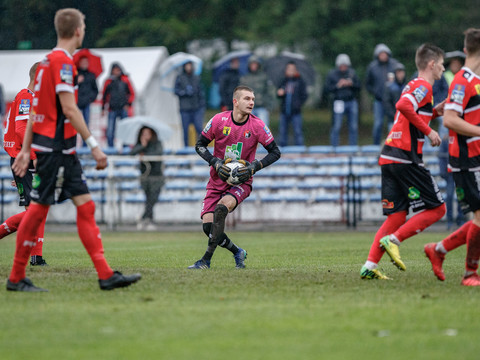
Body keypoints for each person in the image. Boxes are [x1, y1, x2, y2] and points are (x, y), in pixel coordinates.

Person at [8, 8, 141, 292]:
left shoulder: (45, 62)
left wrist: (24, 149)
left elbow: (34, 112)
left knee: (83, 205)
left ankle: (105, 275)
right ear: (78, 30)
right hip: (55, 152)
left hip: (58, 151)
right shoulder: (63, 63)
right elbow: (69, 108)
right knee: (37, 212)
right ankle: (17, 277)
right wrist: (94, 146)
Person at [360, 43, 446, 280]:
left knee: (397, 216)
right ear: (431, 64)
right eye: (441, 63)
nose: (442, 68)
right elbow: (403, 105)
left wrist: (435, 112)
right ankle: (394, 240)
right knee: (438, 209)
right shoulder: (423, 85)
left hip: (389, 155)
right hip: (404, 156)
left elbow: (410, 109)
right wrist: (429, 131)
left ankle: (369, 265)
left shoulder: (413, 85)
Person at [189, 85, 281, 269]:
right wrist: (215, 162)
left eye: (253, 99)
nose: (251, 102)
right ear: (235, 102)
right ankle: (238, 252)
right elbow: (200, 145)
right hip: (216, 181)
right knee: (208, 227)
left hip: (241, 182)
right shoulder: (218, 120)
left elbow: (275, 152)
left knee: (221, 209)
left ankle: (205, 260)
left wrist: (254, 166)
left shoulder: (257, 125)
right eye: (247, 98)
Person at [424, 29, 480, 286]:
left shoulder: (474, 80)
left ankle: (439, 250)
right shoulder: (462, 79)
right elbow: (450, 119)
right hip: (466, 161)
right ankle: (470, 273)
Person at [1, 62, 47, 266]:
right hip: (25, 158)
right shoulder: (27, 96)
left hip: (26, 158)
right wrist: (35, 157)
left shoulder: (33, 98)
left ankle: (37, 257)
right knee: (35, 210)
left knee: (38, 207)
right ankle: (35, 257)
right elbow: (21, 129)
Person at [130, 126, 164, 230]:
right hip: (145, 176)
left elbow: (158, 154)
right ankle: (149, 220)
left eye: (147, 133)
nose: (145, 136)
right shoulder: (140, 145)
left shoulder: (157, 143)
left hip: (156, 175)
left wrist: (145, 155)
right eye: (143, 133)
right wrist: (142, 145)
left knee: (153, 198)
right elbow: (131, 153)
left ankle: (144, 217)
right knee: (148, 199)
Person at [366, 43, 399, 145]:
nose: (383, 56)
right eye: (381, 54)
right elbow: (367, 84)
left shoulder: (395, 65)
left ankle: (395, 145)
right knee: (378, 124)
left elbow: (401, 79)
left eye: (385, 54)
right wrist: (375, 92)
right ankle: (375, 145)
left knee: (394, 123)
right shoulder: (372, 67)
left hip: (392, 101)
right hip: (379, 101)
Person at [324, 54, 361, 146]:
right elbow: (327, 89)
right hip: (338, 101)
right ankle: (334, 147)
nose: (343, 67)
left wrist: (351, 84)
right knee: (336, 125)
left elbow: (359, 87)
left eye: (345, 65)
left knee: (353, 126)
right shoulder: (332, 74)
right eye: (342, 65)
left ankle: (353, 147)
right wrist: (338, 85)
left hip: (351, 101)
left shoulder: (352, 73)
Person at [102, 62, 135, 147]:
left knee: (125, 129)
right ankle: (110, 147)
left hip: (123, 108)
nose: (117, 72)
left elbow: (132, 93)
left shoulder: (125, 80)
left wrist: (128, 104)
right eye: (115, 70)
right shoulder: (108, 81)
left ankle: (125, 147)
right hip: (112, 108)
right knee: (110, 131)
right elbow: (104, 95)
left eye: (118, 70)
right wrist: (103, 108)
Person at [277, 61, 308, 147]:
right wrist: (279, 93)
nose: (290, 71)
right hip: (284, 111)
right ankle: (281, 153)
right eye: (289, 69)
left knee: (298, 132)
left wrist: (298, 104)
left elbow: (305, 95)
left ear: (295, 70)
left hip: (296, 112)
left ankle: (300, 150)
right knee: (283, 132)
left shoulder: (300, 81)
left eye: (292, 69)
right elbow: (278, 94)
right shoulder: (283, 81)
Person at [174, 61, 205, 147]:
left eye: (190, 65)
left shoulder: (196, 77)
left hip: (196, 107)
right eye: (187, 65)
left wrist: (201, 105)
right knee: (185, 131)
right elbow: (175, 91)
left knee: (199, 128)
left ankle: (200, 147)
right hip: (185, 108)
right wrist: (184, 92)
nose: (188, 67)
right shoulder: (180, 77)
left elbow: (200, 92)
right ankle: (186, 148)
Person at [240, 55, 273, 126]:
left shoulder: (264, 77)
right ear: (249, 65)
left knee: (263, 129)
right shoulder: (244, 78)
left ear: (258, 65)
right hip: (248, 108)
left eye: (255, 64)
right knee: (248, 130)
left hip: (262, 107)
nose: (254, 66)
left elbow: (269, 91)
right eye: (252, 64)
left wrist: (269, 106)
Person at [77, 55, 98, 145]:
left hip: (86, 104)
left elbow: (96, 90)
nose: (85, 64)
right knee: (72, 125)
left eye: (86, 62)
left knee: (86, 126)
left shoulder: (91, 75)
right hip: (75, 104)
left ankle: (85, 146)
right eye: (83, 62)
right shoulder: (74, 74)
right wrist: (76, 81)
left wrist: (90, 99)